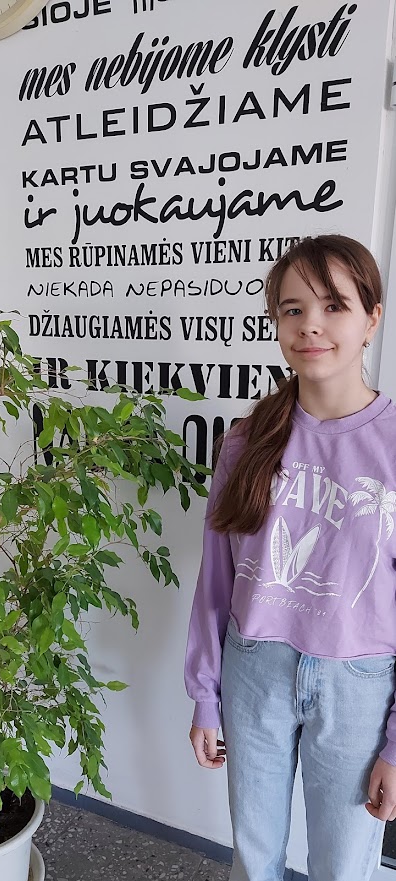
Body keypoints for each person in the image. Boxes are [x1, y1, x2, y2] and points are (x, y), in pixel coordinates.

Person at [184, 234, 396, 881]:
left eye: (334, 306)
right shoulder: (246, 441)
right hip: (254, 670)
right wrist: (204, 695)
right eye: (293, 308)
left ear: (372, 318)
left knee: (343, 867)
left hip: (358, 684)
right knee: (254, 858)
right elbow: (215, 580)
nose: (310, 325)